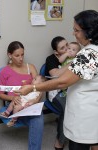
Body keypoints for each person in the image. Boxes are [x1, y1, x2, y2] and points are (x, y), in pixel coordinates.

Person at [15, 10, 98, 150]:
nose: (74, 34)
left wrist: (32, 88)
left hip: (84, 114)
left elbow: (62, 82)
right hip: (91, 108)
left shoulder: (89, 54)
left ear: (88, 32)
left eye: (76, 30)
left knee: (80, 144)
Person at [0, 41, 44, 150]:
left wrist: (35, 101)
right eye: (17, 55)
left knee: (38, 117)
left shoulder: (30, 67)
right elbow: (0, 94)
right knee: (2, 112)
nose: (21, 58)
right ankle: (16, 117)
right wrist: (13, 98)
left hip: (29, 104)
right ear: (10, 55)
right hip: (13, 105)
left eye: (22, 54)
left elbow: (40, 88)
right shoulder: (4, 72)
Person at [45, 36, 69, 150]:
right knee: (67, 109)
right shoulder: (51, 59)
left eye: (67, 45)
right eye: (62, 48)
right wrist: (72, 63)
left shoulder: (74, 54)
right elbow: (55, 74)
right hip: (56, 93)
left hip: (70, 89)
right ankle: (60, 141)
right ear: (56, 51)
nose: (67, 49)